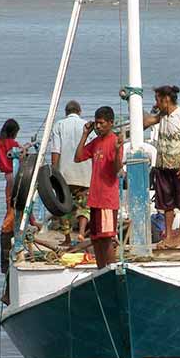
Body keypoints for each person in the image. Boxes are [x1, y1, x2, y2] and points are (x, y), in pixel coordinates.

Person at [74, 106, 123, 269]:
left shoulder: (114, 141)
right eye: (96, 123)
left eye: (101, 123)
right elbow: (78, 157)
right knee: (96, 238)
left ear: (110, 123)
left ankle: (110, 268)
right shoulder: (96, 142)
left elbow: (117, 169)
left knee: (107, 238)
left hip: (107, 198)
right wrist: (85, 134)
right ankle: (101, 268)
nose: (98, 126)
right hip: (95, 198)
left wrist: (117, 152)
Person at [143, 86, 180, 248]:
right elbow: (146, 122)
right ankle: (169, 234)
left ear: (166, 99)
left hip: (178, 166)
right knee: (167, 203)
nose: (156, 102)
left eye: (158, 99)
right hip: (163, 165)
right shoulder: (162, 116)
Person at [49, 100, 92, 245]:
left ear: (66, 112)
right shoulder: (87, 125)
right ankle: (80, 233)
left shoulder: (59, 125)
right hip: (85, 172)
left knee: (64, 206)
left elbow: (56, 150)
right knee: (84, 206)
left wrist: (53, 173)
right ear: (79, 112)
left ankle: (67, 238)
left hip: (65, 174)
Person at [0, 119, 21, 275]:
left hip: (6, 176)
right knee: (16, 200)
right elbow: (18, 154)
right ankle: (8, 227)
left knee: (9, 201)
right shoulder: (13, 143)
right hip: (13, 174)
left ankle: (10, 222)